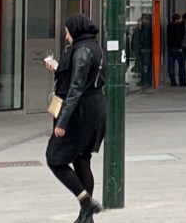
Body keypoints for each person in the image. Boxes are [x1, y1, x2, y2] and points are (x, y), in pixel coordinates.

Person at [46, 14, 106, 223]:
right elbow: (80, 77)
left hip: (81, 111)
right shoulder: (94, 47)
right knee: (82, 159)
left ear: (75, 30)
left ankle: (86, 202)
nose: (66, 35)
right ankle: (86, 218)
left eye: (67, 31)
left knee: (54, 158)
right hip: (96, 107)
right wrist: (58, 68)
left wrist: (62, 122)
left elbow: (76, 87)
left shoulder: (81, 50)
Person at [166, 13, 186, 88]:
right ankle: (182, 81)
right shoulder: (178, 27)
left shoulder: (169, 26)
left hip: (171, 47)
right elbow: (178, 38)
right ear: (177, 19)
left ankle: (173, 81)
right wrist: (179, 47)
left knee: (171, 65)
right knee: (181, 64)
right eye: (180, 19)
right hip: (177, 48)